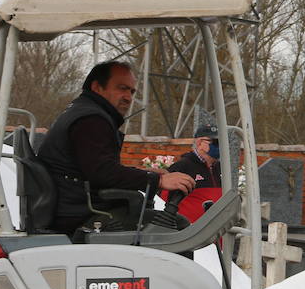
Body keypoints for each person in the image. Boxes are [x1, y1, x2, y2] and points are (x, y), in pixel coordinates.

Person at [39, 60, 194, 235]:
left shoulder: (83, 112)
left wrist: (144, 173)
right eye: (122, 88)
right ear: (97, 87)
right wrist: (157, 181)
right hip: (83, 214)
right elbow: (102, 172)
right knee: (176, 226)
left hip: (74, 208)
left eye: (132, 91)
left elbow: (94, 167)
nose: (128, 97)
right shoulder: (91, 120)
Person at [166, 124, 224, 222]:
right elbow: (165, 199)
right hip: (190, 230)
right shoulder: (182, 166)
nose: (220, 146)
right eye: (215, 142)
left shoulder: (219, 167)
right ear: (199, 143)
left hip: (215, 229)